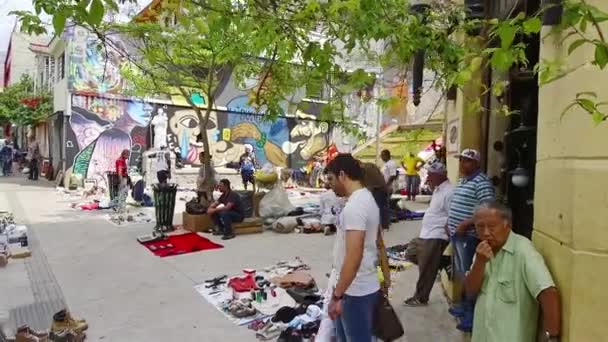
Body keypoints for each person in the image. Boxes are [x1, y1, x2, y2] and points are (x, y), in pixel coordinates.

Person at [466, 200, 561, 342]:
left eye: (492, 226)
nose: (485, 233)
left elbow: (548, 292)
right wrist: (479, 263)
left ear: (507, 225)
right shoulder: (482, 250)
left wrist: (551, 336)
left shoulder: (524, 251)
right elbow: (470, 291)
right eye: (480, 227)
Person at [325, 154, 380, 342]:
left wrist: (337, 296)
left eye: (331, 179)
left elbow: (354, 257)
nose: (329, 185)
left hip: (355, 290)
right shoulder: (366, 198)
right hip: (358, 285)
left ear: (342, 175)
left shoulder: (355, 207)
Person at [447, 148, 495, 332]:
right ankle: (463, 306)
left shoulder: (481, 182)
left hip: (470, 236)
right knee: (461, 273)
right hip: (457, 235)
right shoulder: (462, 180)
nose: (462, 164)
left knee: (470, 274)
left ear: (476, 163)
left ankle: (471, 314)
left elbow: (488, 210)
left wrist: (466, 224)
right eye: (461, 160)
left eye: (466, 161)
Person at [403, 162, 453, 306]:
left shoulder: (449, 192)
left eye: (431, 175)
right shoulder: (438, 189)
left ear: (439, 175)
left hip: (437, 235)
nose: (428, 177)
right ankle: (441, 262)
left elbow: (452, 215)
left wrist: (448, 235)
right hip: (426, 234)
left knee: (426, 268)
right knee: (410, 252)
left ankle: (420, 297)